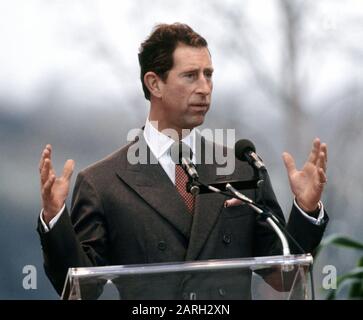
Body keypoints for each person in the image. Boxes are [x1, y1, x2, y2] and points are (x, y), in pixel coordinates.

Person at [37, 23, 329, 299]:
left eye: (209, 75)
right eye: (191, 76)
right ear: (155, 83)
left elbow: (284, 276)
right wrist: (54, 219)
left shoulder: (241, 167)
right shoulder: (103, 183)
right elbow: (81, 289)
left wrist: (305, 209)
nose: (204, 87)